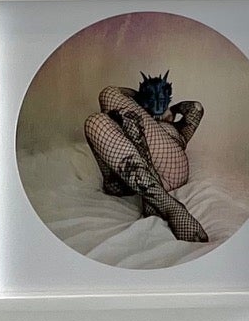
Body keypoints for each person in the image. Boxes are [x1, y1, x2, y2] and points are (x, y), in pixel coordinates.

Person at [82, 70, 209, 243]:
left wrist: (171, 111)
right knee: (94, 121)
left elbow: (196, 108)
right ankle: (153, 197)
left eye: (161, 100)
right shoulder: (133, 115)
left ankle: (166, 204)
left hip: (168, 171)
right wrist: (138, 96)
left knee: (108, 94)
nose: (157, 105)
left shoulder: (176, 128)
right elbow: (121, 99)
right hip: (126, 179)